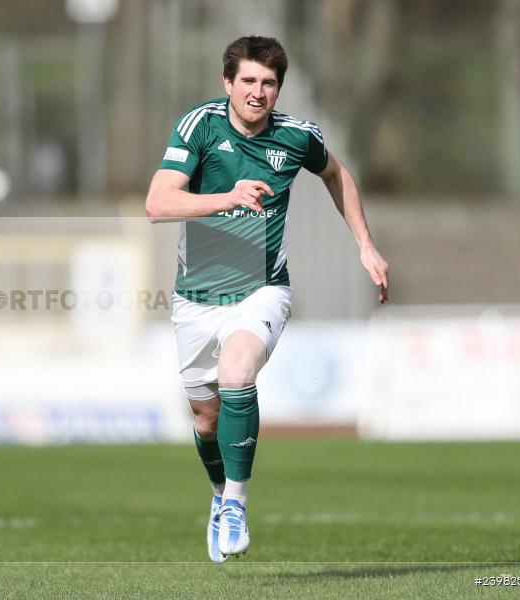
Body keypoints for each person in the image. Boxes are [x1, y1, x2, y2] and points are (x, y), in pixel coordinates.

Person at [144, 36, 389, 563]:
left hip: (262, 288)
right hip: (195, 298)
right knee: (205, 420)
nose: (258, 92)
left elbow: (337, 174)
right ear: (227, 82)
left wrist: (365, 244)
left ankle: (236, 502)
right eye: (249, 81)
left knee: (237, 373)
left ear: (280, 87)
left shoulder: (297, 137)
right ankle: (217, 496)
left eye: (269, 83)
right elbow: (157, 204)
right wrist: (227, 197)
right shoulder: (200, 126)